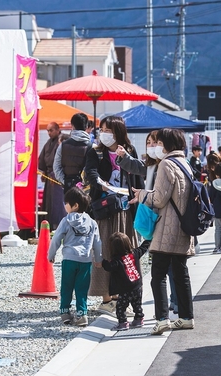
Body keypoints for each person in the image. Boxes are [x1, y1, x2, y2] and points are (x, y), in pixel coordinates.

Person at [133, 128, 196, 334]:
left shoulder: (166, 164)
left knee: (158, 274)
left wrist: (142, 194)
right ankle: (186, 317)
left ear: (167, 144)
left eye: (159, 143)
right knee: (180, 274)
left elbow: (159, 199)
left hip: (167, 227)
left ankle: (162, 319)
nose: (157, 146)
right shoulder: (184, 163)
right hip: (183, 228)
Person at [84, 115, 144, 317]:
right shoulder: (95, 151)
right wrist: (100, 183)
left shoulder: (129, 151)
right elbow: (89, 173)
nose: (104, 134)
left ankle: (126, 295)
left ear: (118, 132)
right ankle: (106, 298)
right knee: (105, 250)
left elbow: (138, 177)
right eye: (102, 130)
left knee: (127, 250)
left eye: (108, 130)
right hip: (105, 208)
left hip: (126, 207)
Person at [48, 187, 103, 327]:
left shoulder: (66, 221)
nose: (64, 205)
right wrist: (98, 259)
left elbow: (56, 239)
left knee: (66, 286)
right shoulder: (92, 222)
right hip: (85, 260)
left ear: (75, 205)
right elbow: (97, 242)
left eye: (66, 203)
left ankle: (65, 313)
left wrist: (51, 254)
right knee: (82, 288)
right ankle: (82, 314)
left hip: (69, 259)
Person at [101, 232, 151, 331]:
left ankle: (123, 323)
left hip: (125, 289)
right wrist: (149, 238)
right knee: (137, 304)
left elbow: (108, 267)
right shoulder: (135, 253)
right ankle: (139, 318)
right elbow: (144, 247)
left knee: (121, 307)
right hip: (137, 285)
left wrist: (102, 262)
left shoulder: (117, 261)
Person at [53, 113, 92, 190]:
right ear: (87, 126)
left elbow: (56, 167)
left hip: (69, 186)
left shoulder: (63, 145)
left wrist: (65, 181)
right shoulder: (92, 146)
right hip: (87, 189)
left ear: (72, 126)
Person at [39, 122, 66, 230]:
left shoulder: (63, 140)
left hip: (59, 176)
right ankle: (49, 225)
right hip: (50, 175)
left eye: (51, 130)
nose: (49, 133)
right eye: (48, 131)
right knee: (49, 202)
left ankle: (59, 225)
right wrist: (44, 172)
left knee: (58, 202)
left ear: (57, 130)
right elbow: (42, 159)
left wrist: (56, 174)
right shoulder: (48, 143)